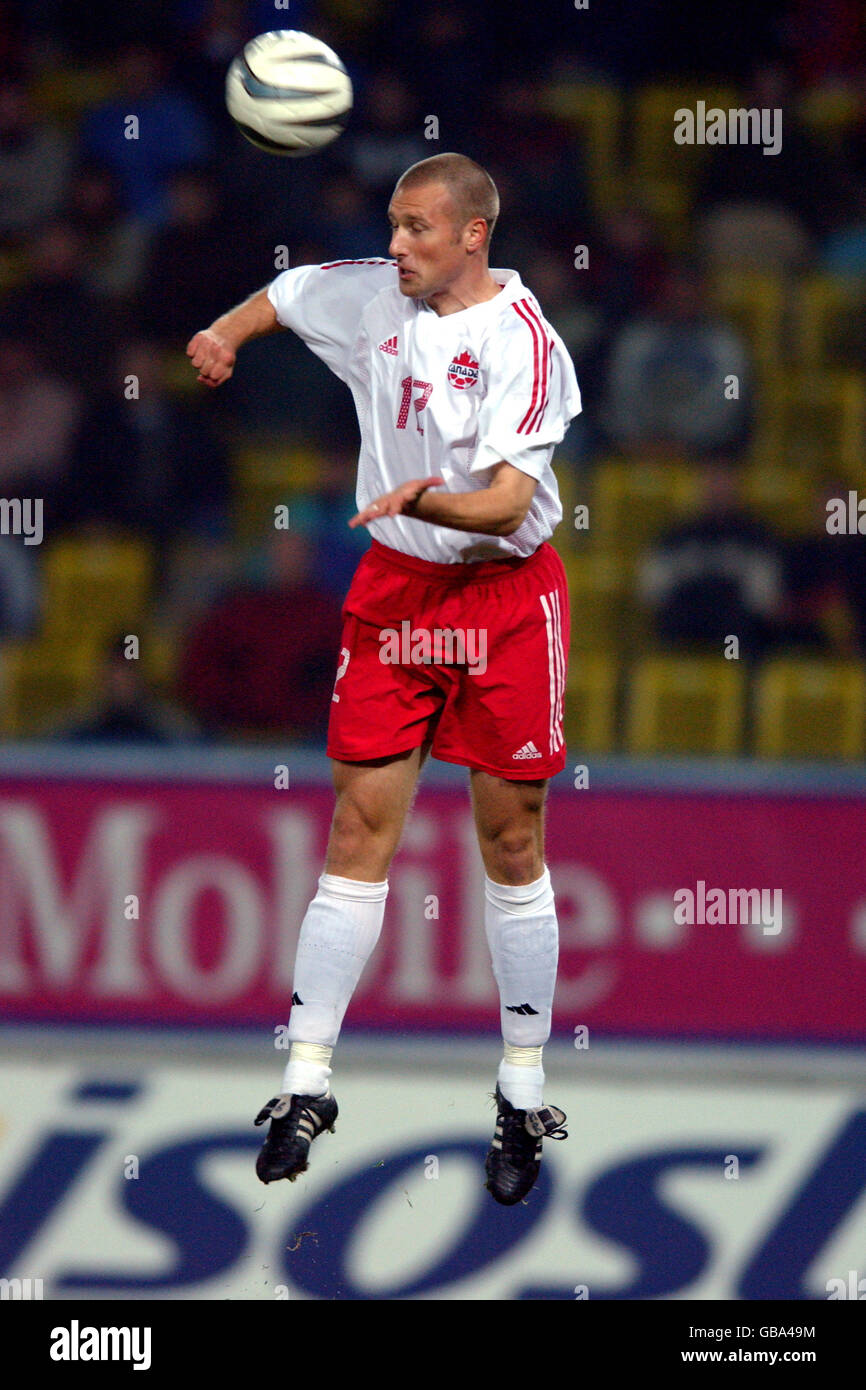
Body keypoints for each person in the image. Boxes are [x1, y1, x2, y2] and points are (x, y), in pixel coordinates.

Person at [187, 152, 579, 1206]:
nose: (396, 245)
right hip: (399, 591)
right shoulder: (372, 292)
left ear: (471, 236)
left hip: (500, 599)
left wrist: (424, 498)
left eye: (416, 229)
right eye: (394, 226)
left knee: (511, 837)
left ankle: (519, 1084)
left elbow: (502, 505)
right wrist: (226, 332)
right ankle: (305, 1078)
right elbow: (284, 293)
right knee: (358, 829)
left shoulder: (524, 343)